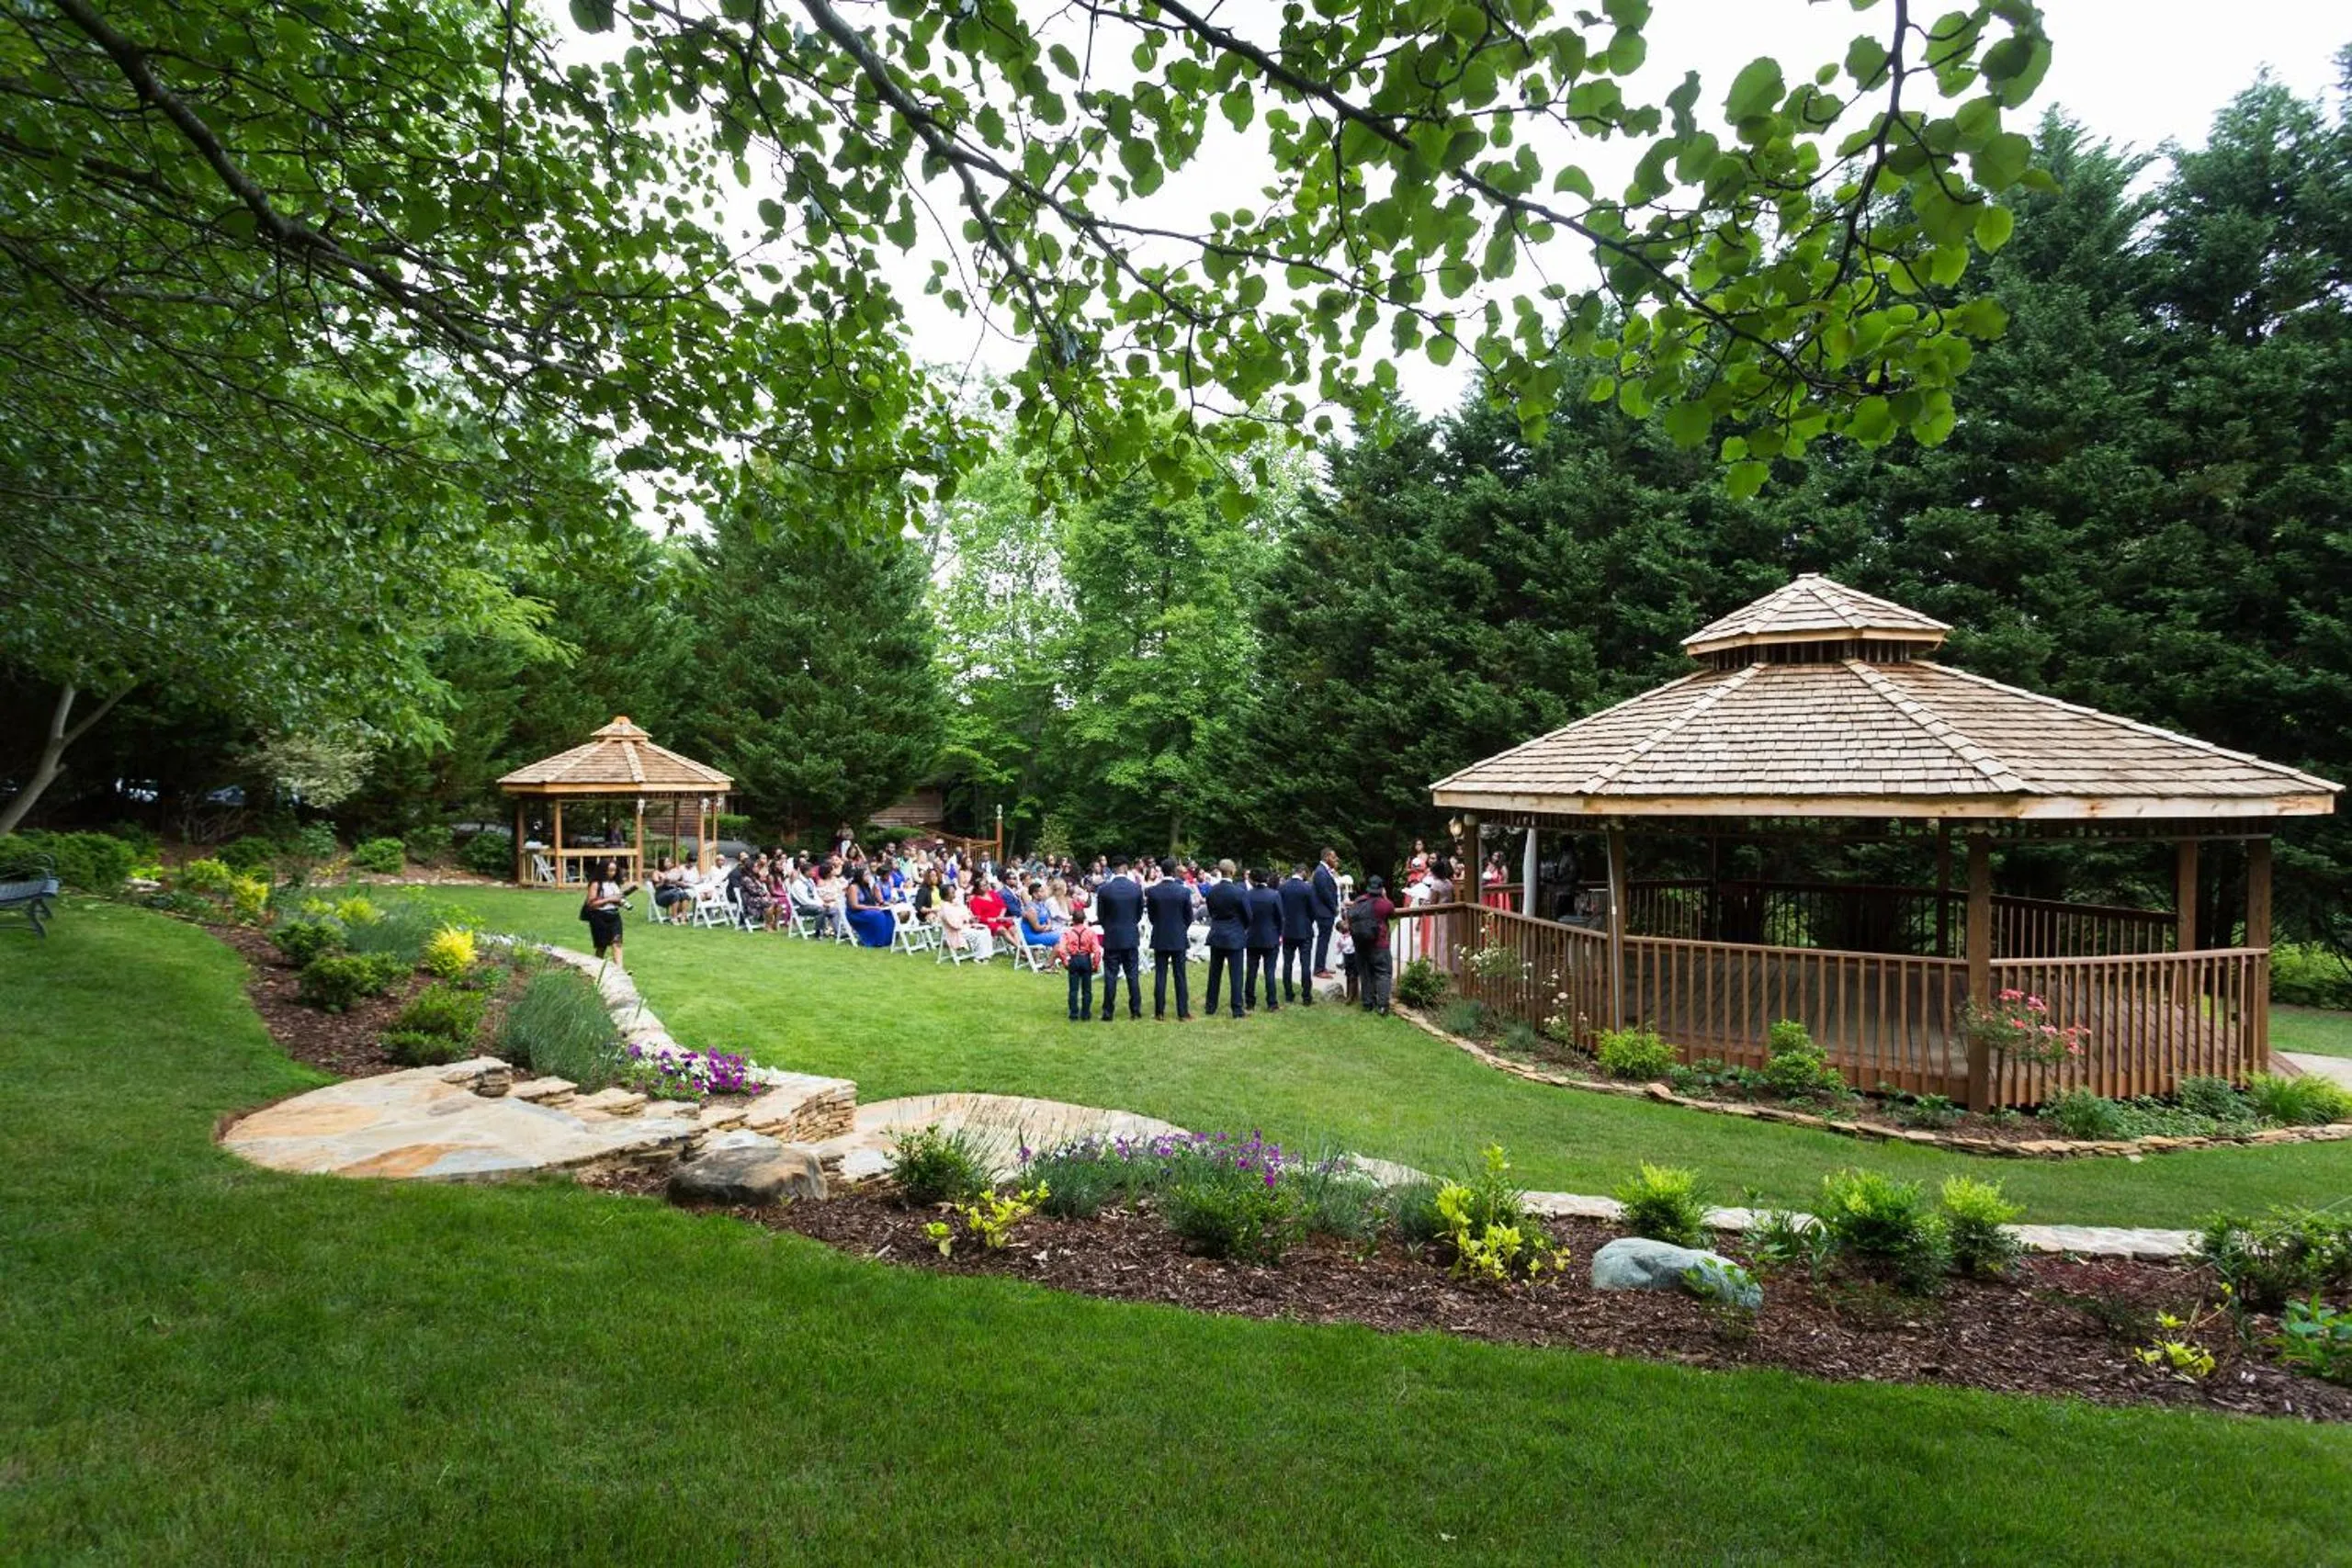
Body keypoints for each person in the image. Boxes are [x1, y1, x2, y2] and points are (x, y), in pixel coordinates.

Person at [1093, 855, 1144, 1022]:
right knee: (1132, 974)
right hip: (1130, 935)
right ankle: (1135, 1010)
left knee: (1110, 975)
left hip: (1112, 936)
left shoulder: (1105, 890)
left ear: (1114, 868)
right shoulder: (1136, 889)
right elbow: (1138, 915)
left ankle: (1108, 1012)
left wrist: (1110, 926)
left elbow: (1101, 916)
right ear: (1126, 868)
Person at [1143, 856, 1194, 1021]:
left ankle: (1159, 1012)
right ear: (1174, 871)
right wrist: (1180, 928)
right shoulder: (1184, 891)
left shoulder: (1153, 891)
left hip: (1160, 935)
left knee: (1161, 975)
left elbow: (1152, 916)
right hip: (1178, 936)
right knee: (1180, 975)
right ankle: (1183, 1012)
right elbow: (1189, 917)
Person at [1202, 858, 1250, 1020]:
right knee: (1236, 974)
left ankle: (1210, 1006)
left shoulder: (1212, 891)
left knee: (1214, 973)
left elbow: (1210, 910)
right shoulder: (1239, 892)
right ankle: (1237, 1008)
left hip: (1217, 933)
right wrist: (1241, 926)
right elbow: (1248, 915)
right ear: (1233, 871)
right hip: (1234, 934)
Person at [1349, 875, 1398, 1015]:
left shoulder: (1359, 901)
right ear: (1382, 888)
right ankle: (1382, 1006)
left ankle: (1367, 1003)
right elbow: (1393, 915)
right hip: (1379, 943)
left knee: (1365, 974)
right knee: (1383, 973)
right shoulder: (1385, 904)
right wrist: (1386, 897)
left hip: (1361, 943)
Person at [580, 857, 633, 969]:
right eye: (609, 870)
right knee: (601, 946)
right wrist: (609, 899)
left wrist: (620, 902)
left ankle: (619, 970)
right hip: (599, 917)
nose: (612, 873)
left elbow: (616, 900)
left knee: (617, 942)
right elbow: (591, 904)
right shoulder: (596, 884)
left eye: (614, 870)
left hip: (614, 916)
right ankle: (596, 968)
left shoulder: (614, 883)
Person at [1244, 867, 1283, 1012]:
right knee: (1269, 972)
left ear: (1252, 879)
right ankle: (1272, 1003)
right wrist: (1278, 934)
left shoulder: (1247, 895)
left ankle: (1249, 1002)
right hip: (1270, 937)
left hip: (1252, 937)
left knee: (1251, 972)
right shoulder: (1274, 895)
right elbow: (1280, 918)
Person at [1278, 863, 1317, 1006]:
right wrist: (1308, 921)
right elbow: (1313, 910)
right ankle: (1306, 996)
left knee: (1287, 963)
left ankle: (1288, 994)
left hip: (1287, 929)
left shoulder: (1283, 888)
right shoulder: (1308, 888)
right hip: (1304, 929)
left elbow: (1279, 908)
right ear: (1303, 872)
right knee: (1305, 964)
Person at [1057, 918, 1102, 1021]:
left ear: (1073, 920)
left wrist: (1065, 962)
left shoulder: (1068, 932)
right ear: (1083, 920)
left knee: (1073, 989)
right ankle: (1086, 1014)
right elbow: (1097, 951)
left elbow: (1061, 950)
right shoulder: (1091, 932)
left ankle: (1073, 1014)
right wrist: (1095, 965)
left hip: (1074, 959)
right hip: (1085, 959)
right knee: (1087, 990)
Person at [844, 867, 896, 947]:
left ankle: (888, 940)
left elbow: (871, 901)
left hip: (867, 910)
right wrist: (873, 908)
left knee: (888, 913)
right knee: (878, 915)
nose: (868, 877)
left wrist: (879, 905)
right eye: (866, 875)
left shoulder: (866, 886)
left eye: (869, 875)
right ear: (860, 876)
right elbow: (854, 906)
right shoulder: (853, 887)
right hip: (855, 913)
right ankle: (878, 941)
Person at [1311, 848, 1342, 977]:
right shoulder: (1320, 872)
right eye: (1333, 857)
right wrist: (1334, 908)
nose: (1336, 859)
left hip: (1326, 911)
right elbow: (1325, 894)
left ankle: (1322, 966)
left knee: (1325, 940)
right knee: (1323, 940)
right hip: (1324, 911)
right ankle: (1319, 969)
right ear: (1326, 858)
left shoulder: (1325, 871)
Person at [650, 854, 693, 922]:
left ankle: (683, 917)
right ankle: (674, 918)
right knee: (675, 894)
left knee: (684, 894)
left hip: (672, 891)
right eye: (667, 862)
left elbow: (676, 882)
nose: (669, 863)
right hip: (661, 894)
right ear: (662, 863)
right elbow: (657, 886)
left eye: (669, 861)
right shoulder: (656, 872)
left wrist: (679, 882)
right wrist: (663, 881)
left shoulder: (672, 872)